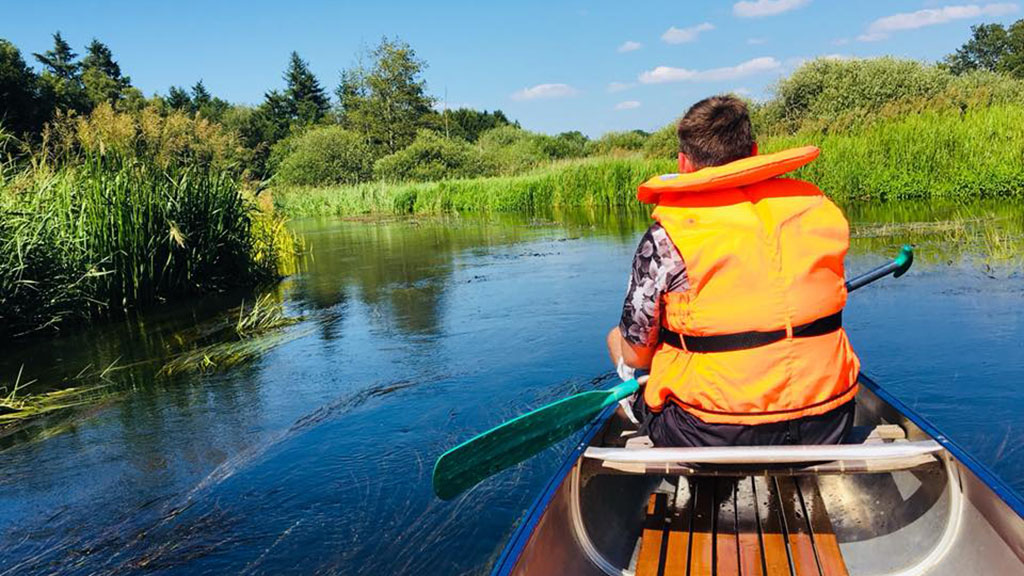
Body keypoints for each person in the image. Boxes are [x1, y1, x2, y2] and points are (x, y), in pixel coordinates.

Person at [606, 95, 860, 448]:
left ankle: (633, 411)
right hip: (830, 421)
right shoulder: (817, 210)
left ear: (684, 163)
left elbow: (636, 355)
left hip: (709, 432)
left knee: (619, 340)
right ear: (754, 152)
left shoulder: (666, 237)